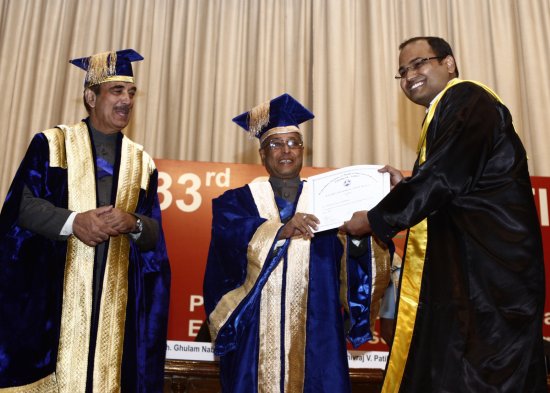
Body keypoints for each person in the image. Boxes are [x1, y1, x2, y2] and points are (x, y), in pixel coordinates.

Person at [340, 36, 546, 392]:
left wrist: (375, 219)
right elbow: (449, 181)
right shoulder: (446, 110)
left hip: (488, 279)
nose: (409, 76)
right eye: (402, 71)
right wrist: (405, 186)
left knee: (484, 376)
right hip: (469, 274)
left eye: (419, 63)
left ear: (449, 63)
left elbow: (445, 176)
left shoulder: (467, 97)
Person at [0, 49, 171, 392]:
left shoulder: (143, 163)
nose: (127, 100)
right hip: (53, 302)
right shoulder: (52, 144)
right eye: (117, 91)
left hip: (114, 313)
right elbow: (20, 205)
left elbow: (154, 234)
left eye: (132, 92)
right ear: (91, 97)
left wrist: (132, 222)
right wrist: (73, 222)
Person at [203, 93, 392, 392]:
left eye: (294, 142)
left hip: (319, 337)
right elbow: (228, 243)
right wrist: (279, 231)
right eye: (275, 144)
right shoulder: (236, 202)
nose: (286, 151)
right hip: (255, 339)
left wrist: (358, 237)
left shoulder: (329, 201)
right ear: (262, 154)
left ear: (303, 150)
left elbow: (355, 263)